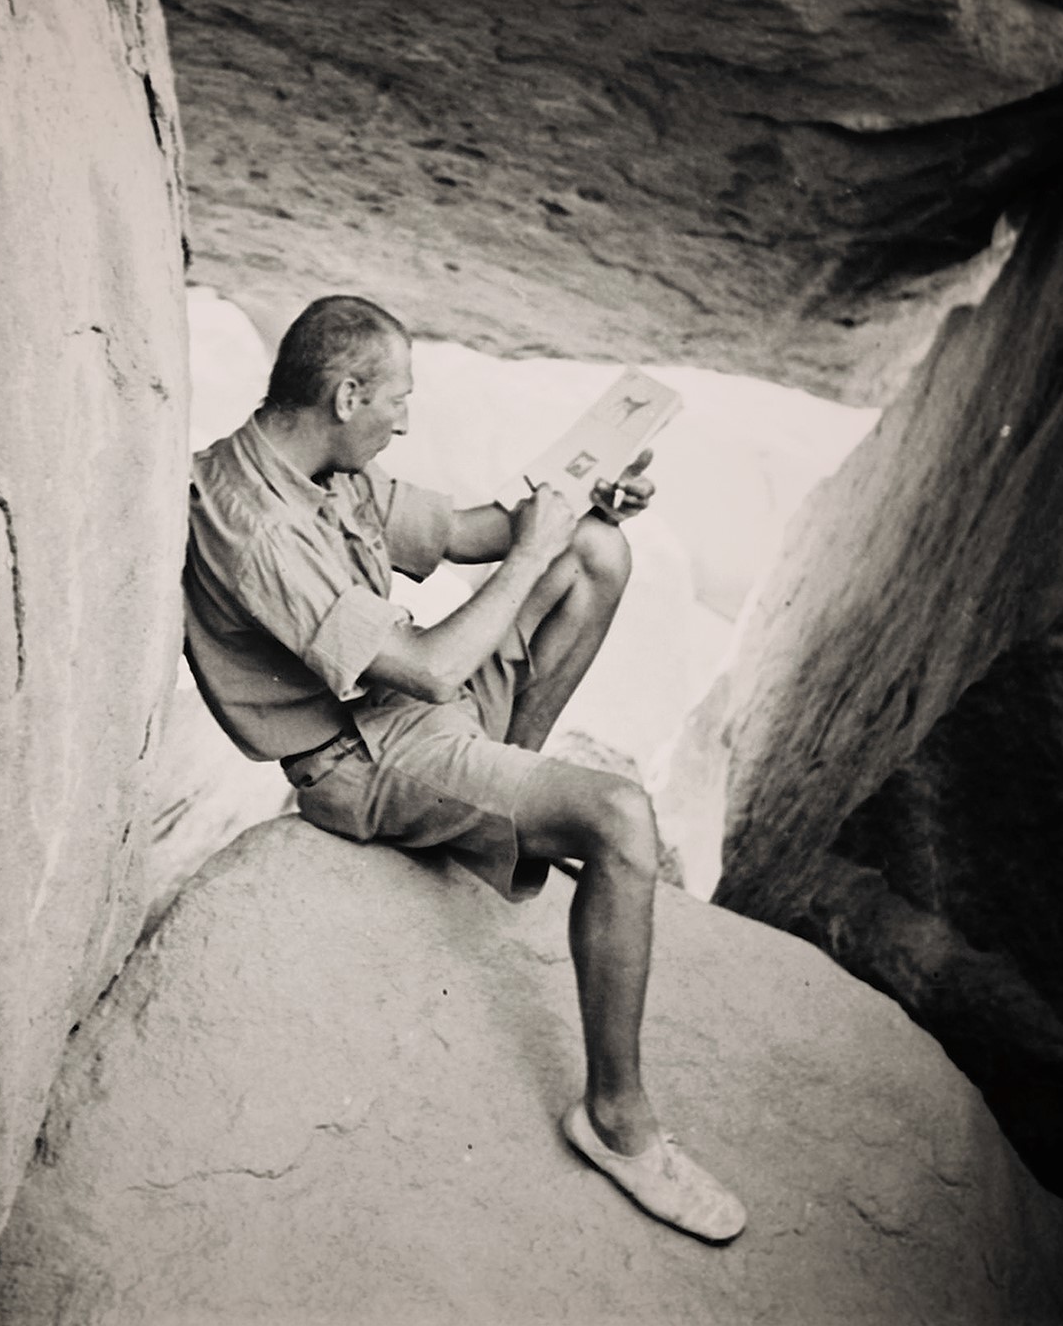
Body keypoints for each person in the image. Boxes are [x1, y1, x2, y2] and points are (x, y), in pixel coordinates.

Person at [183, 294, 745, 1243]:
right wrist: (529, 553)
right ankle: (617, 1121)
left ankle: (511, 797)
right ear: (347, 392)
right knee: (620, 817)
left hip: (420, 711)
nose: (407, 418)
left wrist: (581, 501)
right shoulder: (255, 526)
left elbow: (474, 531)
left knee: (597, 551)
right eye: (397, 400)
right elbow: (435, 666)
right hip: (363, 754)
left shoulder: (321, 461)